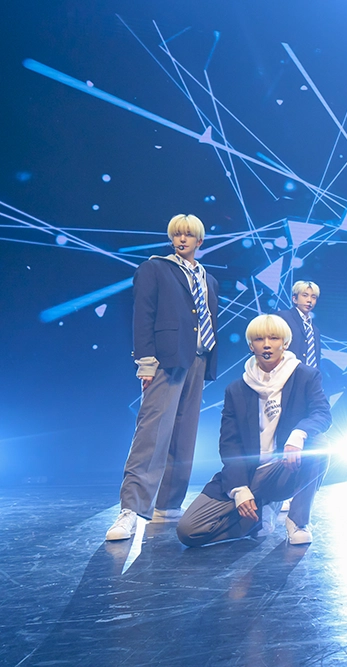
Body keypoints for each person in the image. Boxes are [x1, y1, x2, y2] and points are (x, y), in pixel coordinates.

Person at [106, 214, 219, 541]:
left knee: (184, 435)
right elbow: (143, 316)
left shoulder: (208, 279)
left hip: (197, 359)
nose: (182, 239)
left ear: (199, 241)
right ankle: (131, 508)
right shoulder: (155, 268)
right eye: (177, 234)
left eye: (188, 235)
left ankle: (168, 505)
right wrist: (146, 363)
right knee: (152, 434)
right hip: (166, 361)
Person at [176, 315, 332, 547]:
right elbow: (229, 444)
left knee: (319, 445)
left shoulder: (305, 376)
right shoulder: (236, 389)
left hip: (283, 468)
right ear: (251, 346)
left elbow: (322, 414)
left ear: (285, 343)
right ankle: (256, 520)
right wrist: (239, 489)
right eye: (259, 339)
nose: (267, 345)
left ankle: (297, 521)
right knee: (188, 531)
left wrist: (298, 434)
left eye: (274, 338)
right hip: (248, 473)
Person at [277, 280, 322, 370]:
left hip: (311, 376)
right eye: (305, 295)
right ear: (295, 299)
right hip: (286, 373)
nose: (309, 300)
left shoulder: (315, 330)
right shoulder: (283, 317)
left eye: (313, 297)